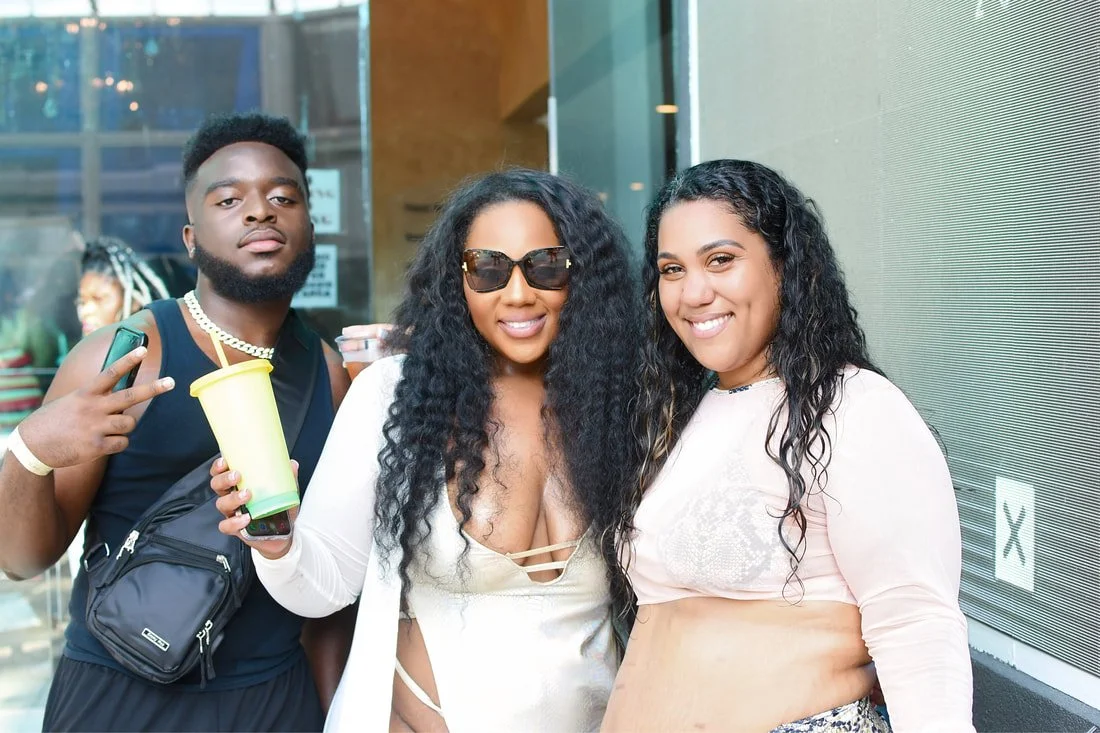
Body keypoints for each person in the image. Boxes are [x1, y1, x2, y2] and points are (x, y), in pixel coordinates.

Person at [210, 169, 644, 731]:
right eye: (488, 269)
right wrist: (275, 539)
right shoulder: (396, 396)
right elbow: (321, 589)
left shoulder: (624, 405)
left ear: (581, 275)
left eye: (546, 266)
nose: (518, 293)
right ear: (456, 282)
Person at [0, 111, 354, 732]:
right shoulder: (127, 355)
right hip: (120, 697)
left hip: (273, 702)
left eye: (282, 197)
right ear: (190, 238)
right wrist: (29, 451)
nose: (260, 211)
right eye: (229, 199)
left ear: (309, 227)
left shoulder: (329, 374)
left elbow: (331, 594)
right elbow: (22, 560)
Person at [602, 160, 974, 732]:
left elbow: (914, 620)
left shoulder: (853, 406)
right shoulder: (682, 414)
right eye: (672, 269)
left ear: (784, 265)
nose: (693, 292)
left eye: (720, 260)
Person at [75, 236, 171, 337]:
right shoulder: (79, 347)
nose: (84, 312)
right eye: (82, 301)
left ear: (134, 301)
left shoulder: (156, 346)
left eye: (99, 299)